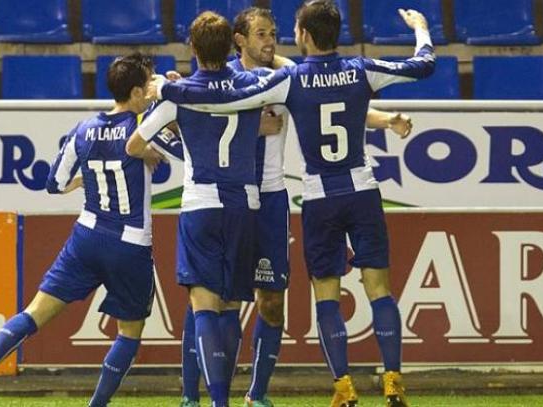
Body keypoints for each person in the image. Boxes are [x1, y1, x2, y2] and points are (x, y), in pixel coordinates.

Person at [151, 2, 435, 406]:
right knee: (208, 297)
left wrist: (385, 118)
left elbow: (333, 96)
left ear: (301, 34)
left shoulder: (284, 78)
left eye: (275, 33)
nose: (271, 41)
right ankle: (192, 395)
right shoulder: (238, 80)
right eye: (262, 34)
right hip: (231, 196)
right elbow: (201, 113)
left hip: (269, 197)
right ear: (239, 40)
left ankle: (258, 395)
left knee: (271, 303)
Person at [0, 53, 182, 407]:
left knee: (33, 313)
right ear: (137, 92)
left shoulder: (84, 129)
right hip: (129, 243)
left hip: (86, 237)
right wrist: (169, 93)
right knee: (129, 334)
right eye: (148, 82)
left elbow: (53, 184)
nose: (151, 87)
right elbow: (180, 137)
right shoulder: (145, 121)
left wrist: (82, 180)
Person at [126, 11, 281, 407]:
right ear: (233, 44)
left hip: (201, 204)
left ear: (192, 49)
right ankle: (228, 396)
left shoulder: (181, 94)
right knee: (230, 304)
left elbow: (135, 143)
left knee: (203, 306)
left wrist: (173, 134)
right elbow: (285, 82)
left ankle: (214, 401)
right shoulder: (254, 86)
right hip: (245, 202)